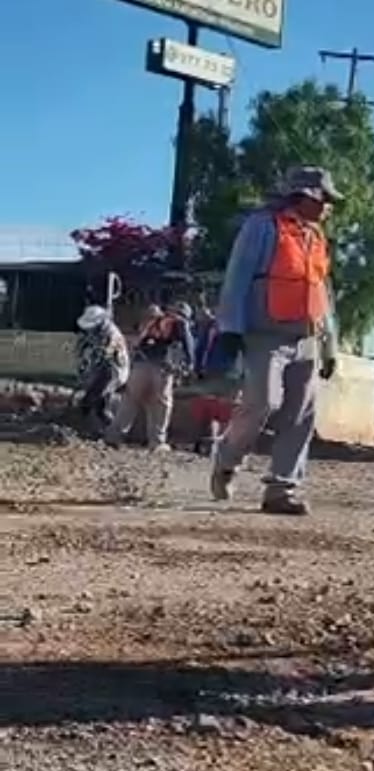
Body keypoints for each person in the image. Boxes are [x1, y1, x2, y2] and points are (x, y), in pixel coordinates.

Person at [209, 166, 340, 516]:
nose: (329, 207)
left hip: (307, 337)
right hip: (265, 334)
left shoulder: (316, 236)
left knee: (301, 414)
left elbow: (322, 292)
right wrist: (230, 329)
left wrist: (330, 346)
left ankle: (282, 489)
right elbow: (237, 276)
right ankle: (226, 457)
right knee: (263, 402)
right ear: (307, 196)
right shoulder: (263, 227)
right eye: (325, 199)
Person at [106, 301, 195, 452]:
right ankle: (157, 442)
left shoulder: (153, 322)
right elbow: (188, 343)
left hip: (140, 365)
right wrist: (191, 363)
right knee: (161, 405)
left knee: (130, 400)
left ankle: (114, 436)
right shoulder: (179, 323)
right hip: (162, 368)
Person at [74, 305, 130, 436]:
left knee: (90, 400)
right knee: (100, 407)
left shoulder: (112, 334)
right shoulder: (96, 332)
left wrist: (88, 370)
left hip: (114, 371)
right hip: (104, 370)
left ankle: (104, 431)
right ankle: (105, 431)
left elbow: (103, 355)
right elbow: (83, 349)